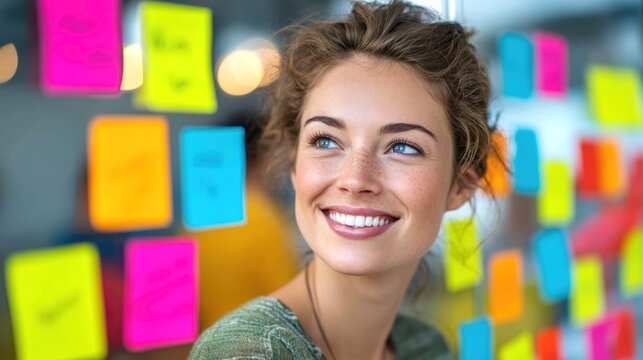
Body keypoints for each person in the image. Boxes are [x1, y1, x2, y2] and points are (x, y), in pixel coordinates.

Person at [190, 0, 495, 358]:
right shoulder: (248, 352)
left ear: (461, 185)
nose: (355, 179)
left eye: (403, 147)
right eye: (326, 141)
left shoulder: (426, 346)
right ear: (294, 162)